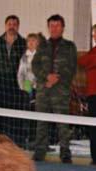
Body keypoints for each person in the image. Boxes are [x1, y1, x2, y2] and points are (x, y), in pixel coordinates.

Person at [32, 14, 77, 163]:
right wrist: (46, 77)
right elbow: (35, 65)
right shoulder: (42, 45)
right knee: (41, 122)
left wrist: (56, 78)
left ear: (63, 28)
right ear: (48, 27)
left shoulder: (70, 46)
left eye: (57, 25)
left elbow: (71, 68)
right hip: (43, 90)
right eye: (51, 26)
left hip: (61, 91)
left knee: (62, 123)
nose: (54, 28)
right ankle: (40, 151)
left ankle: (65, 152)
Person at [0, 15, 26, 145]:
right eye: (9, 24)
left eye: (14, 24)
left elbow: (28, 67)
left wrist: (26, 88)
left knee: (16, 115)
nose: (12, 26)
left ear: (18, 26)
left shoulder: (24, 43)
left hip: (17, 85)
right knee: (0, 115)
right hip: (0, 84)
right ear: (5, 25)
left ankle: (17, 144)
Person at [78, 24, 96, 165]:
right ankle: (95, 157)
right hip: (92, 95)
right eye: (94, 35)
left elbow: (87, 62)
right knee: (93, 126)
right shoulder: (92, 52)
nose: (95, 37)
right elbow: (82, 62)